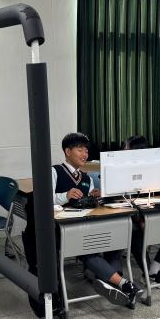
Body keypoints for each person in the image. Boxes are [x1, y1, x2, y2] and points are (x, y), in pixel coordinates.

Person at [22, 132, 142, 308]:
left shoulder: (86, 179)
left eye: (86, 150)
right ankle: (122, 284)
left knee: (113, 241)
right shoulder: (54, 171)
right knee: (88, 249)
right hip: (59, 230)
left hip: (84, 227)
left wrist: (96, 198)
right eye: (80, 149)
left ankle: (115, 283)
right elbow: (43, 198)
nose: (85, 154)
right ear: (67, 151)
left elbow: (89, 207)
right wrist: (65, 195)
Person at [122, 135, 160, 289]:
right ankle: (148, 273)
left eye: (126, 148)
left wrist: (150, 218)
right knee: (134, 231)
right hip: (129, 216)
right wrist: (140, 219)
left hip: (150, 213)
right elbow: (120, 200)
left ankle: (152, 272)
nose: (123, 150)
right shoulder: (120, 170)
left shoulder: (154, 169)